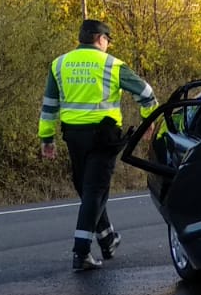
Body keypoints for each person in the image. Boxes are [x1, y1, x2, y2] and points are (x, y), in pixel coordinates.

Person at [39, 19, 157, 271]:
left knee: (86, 188)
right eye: (108, 41)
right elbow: (146, 93)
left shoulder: (60, 64)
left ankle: (107, 237)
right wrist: (149, 121)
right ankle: (81, 253)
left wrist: (46, 138)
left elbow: (49, 104)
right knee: (94, 191)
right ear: (101, 39)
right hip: (103, 136)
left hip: (73, 135)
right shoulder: (112, 64)